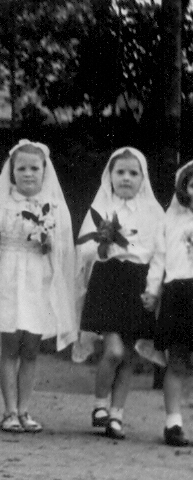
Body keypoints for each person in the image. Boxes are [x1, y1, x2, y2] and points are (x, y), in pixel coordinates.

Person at [75, 148, 164, 441]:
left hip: (137, 282)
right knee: (113, 350)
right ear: (110, 176)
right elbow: (84, 249)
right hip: (108, 278)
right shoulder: (101, 207)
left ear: (143, 178)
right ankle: (100, 405)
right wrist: (103, 241)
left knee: (128, 355)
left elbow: (158, 255)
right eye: (120, 172)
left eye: (133, 173)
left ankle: (117, 415)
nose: (126, 178)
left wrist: (152, 290)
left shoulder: (153, 212)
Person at [0, 140, 77, 433]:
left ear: (44, 171)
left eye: (34, 168)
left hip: (39, 277)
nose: (28, 174)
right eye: (22, 168)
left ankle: (25, 409)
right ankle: (9, 410)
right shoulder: (1, 204)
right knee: (10, 347)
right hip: (10, 274)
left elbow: (63, 250)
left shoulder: (54, 207)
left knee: (31, 349)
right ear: (12, 171)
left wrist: (49, 243)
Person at [143, 160, 193, 447]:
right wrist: (152, 290)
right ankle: (173, 422)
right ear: (184, 187)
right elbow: (159, 258)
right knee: (176, 362)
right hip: (179, 294)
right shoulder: (171, 219)